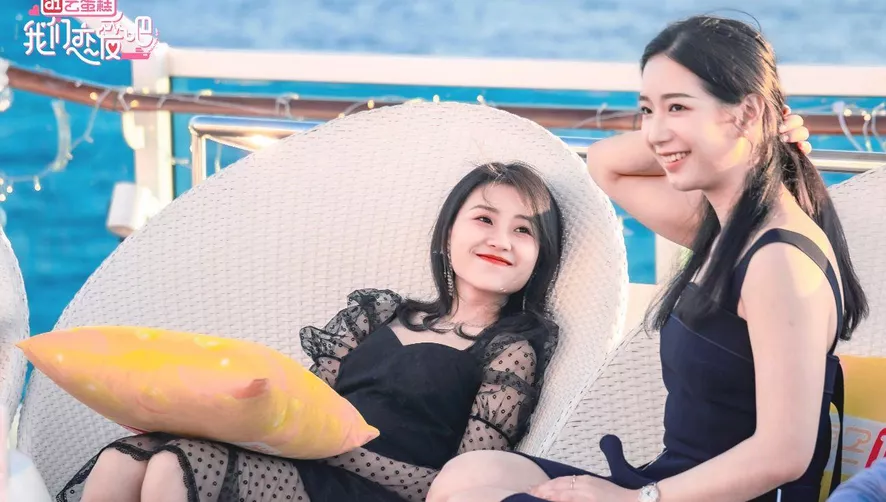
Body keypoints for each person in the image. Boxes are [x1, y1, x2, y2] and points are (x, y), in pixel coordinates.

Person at [426, 14, 869, 502]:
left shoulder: (778, 261)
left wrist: (634, 499)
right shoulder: (724, 229)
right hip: (672, 482)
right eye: (646, 110)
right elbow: (606, 163)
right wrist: (750, 130)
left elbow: (785, 454)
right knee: (471, 473)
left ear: (745, 111)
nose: (655, 133)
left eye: (677, 106)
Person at [58, 161, 565, 502]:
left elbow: (460, 486)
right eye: (485, 219)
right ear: (449, 231)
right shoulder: (380, 313)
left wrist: (341, 452)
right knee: (127, 457)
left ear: (540, 255)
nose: (502, 240)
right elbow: (303, 409)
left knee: (178, 464)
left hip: (374, 492)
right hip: (300, 469)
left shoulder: (509, 350)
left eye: (523, 230)